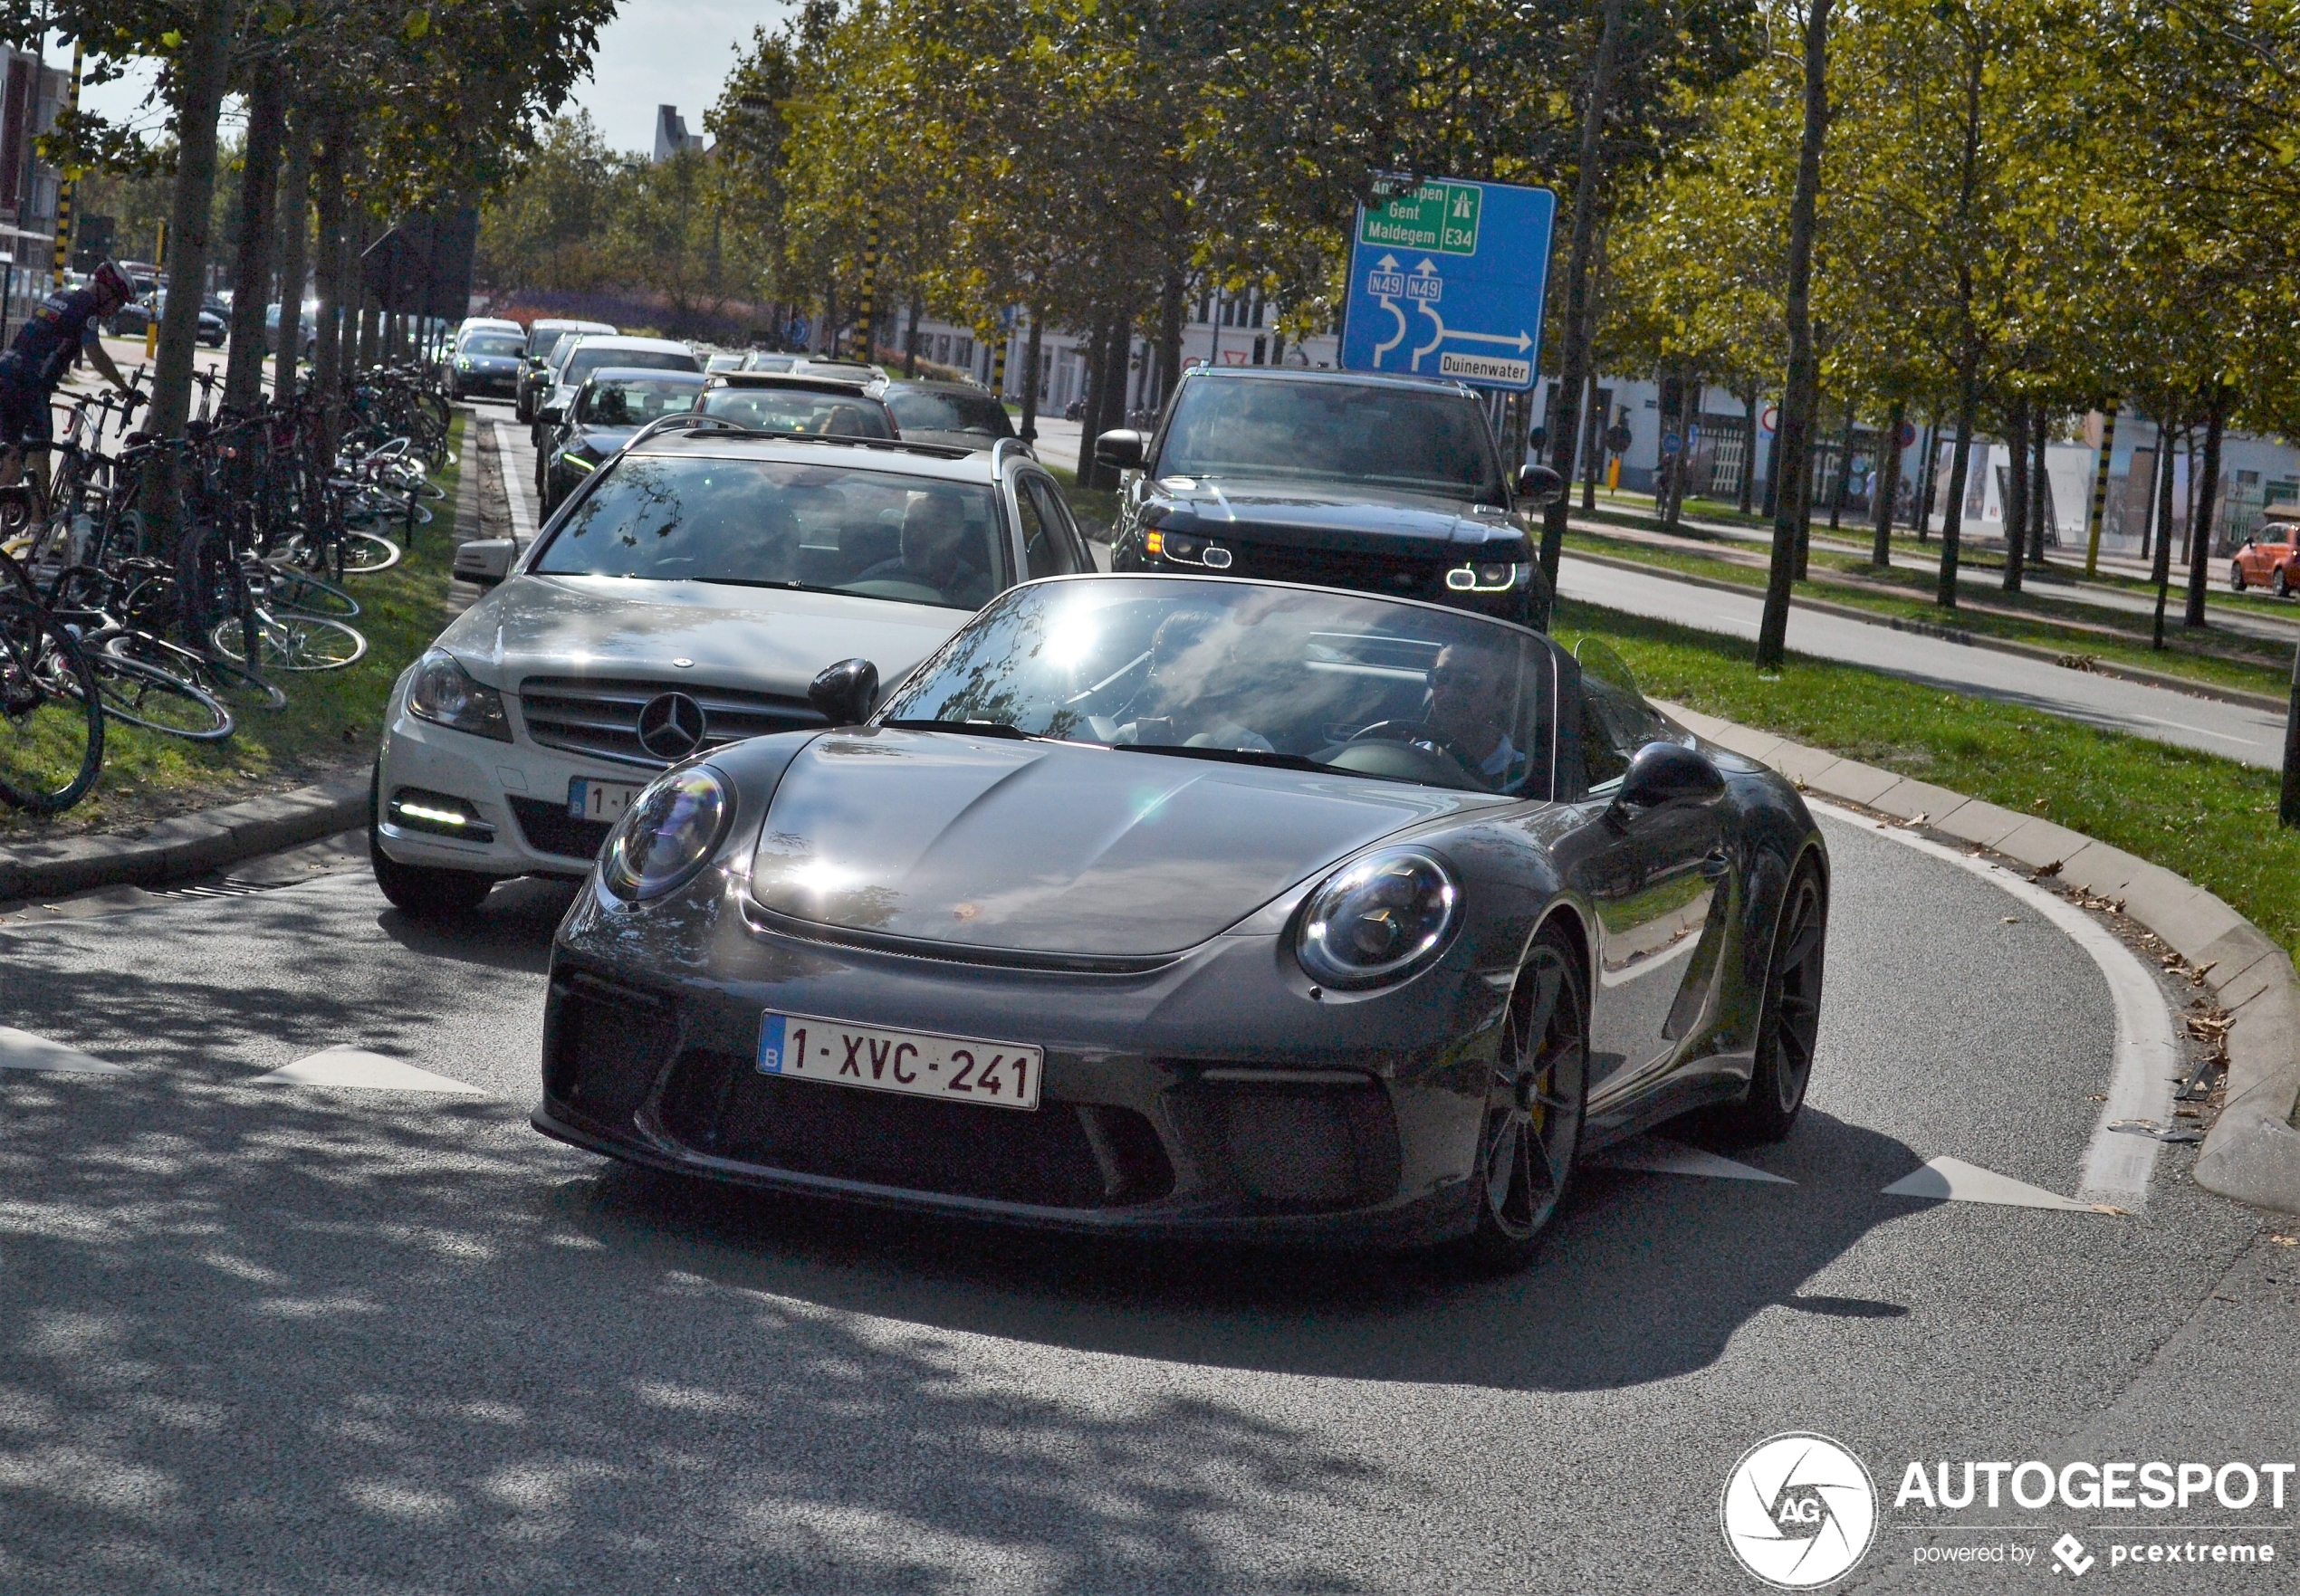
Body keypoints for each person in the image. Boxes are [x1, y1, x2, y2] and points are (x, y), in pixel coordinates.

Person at [0, 262, 139, 494]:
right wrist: (124, 388)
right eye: (119, 301)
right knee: (39, 456)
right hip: (30, 386)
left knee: (9, 449)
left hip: (7, 370)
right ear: (104, 291)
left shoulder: (61, 296)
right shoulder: (86, 309)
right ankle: (38, 525)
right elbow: (95, 353)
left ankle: (11, 513)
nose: (117, 309)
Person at [858, 489, 992, 604]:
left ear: (959, 533)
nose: (916, 535)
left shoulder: (986, 596)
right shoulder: (873, 579)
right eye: (911, 524)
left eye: (933, 527)